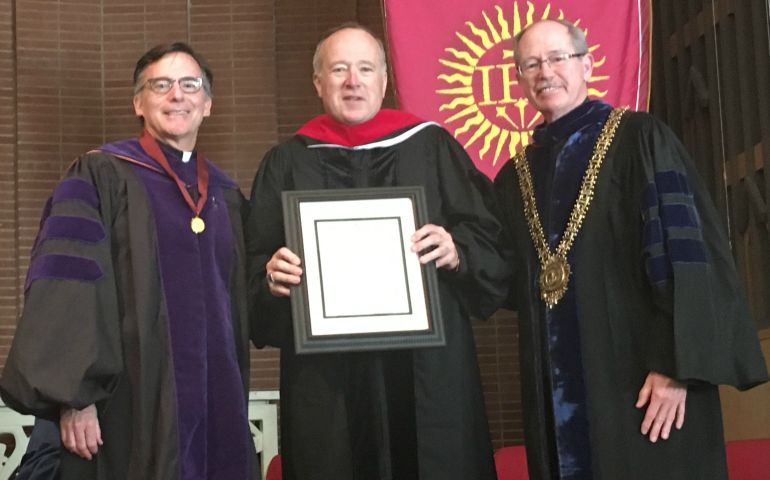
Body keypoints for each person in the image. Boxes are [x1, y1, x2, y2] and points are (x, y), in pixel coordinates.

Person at [493, 18, 769, 479]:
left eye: (558, 58)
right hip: (559, 398)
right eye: (531, 64)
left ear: (586, 64)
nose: (546, 72)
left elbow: (688, 256)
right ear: (519, 79)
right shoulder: (516, 176)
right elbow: (501, 277)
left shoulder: (640, 139)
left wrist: (676, 366)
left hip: (646, 384)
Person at [246, 22, 510, 480]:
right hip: (327, 382)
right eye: (339, 69)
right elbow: (252, 267)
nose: (353, 81)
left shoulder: (431, 146)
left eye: (365, 68)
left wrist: (457, 249)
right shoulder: (288, 162)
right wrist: (270, 278)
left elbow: (492, 240)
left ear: (384, 80)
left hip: (426, 370)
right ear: (318, 83)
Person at [0, 42, 259, 480]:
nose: (177, 95)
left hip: (217, 410)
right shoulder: (101, 175)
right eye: (161, 85)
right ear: (139, 102)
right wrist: (76, 398)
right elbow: (66, 289)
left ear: (208, 103)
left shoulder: (226, 195)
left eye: (189, 84)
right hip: (125, 411)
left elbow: (247, 300)